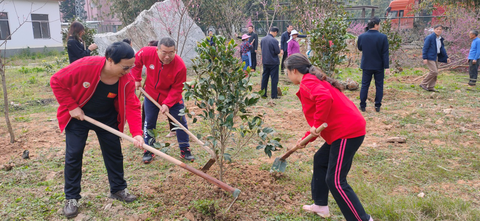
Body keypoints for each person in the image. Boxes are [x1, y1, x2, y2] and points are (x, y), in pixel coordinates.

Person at [50, 42, 144, 218]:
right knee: (74, 154)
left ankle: (118, 189)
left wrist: (137, 132)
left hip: (107, 118)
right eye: (125, 67)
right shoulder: (86, 65)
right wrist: (71, 106)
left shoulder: (126, 80)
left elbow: (132, 105)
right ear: (110, 60)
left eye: (131, 67)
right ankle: (71, 198)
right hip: (79, 116)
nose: (128, 71)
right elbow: (56, 81)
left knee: (114, 153)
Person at [285, 53, 373, 221]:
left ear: (294, 71)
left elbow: (324, 99)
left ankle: (362, 219)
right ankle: (320, 205)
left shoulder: (308, 82)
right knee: (320, 160)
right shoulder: (312, 80)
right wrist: (306, 138)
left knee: (336, 181)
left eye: (287, 72)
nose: (287, 75)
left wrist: (317, 124)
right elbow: (317, 124)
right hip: (344, 130)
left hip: (347, 132)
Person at [131, 37, 195, 164]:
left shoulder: (180, 65)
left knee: (180, 122)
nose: (167, 56)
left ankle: (185, 149)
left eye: (171, 52)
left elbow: (178, 88)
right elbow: (135, 62)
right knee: (149, 122)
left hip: (172, 97)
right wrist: (137, 78)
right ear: (157, 50)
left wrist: (167, 103)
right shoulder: (146, 52)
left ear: (175, 51)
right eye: (164, 52)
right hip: (151, 95)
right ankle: (148, 149)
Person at [357, 17, 390, 112]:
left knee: (364, 85)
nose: (379, 26)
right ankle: (377, 105)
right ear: (376, 25)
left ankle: (362, 105)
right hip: (379, 65)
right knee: (379, 85)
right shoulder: (383, 37)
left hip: (366, 64)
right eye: (379, 24)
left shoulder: (362, 36)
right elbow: (385, 53)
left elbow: (360, 48)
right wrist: (386, 67)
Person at [420, 24, 451, 92]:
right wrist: (424, 58)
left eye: (440, 29)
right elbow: (425, 48)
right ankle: (423, 83)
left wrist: (446, 57)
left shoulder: (440, 38)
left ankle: (431, 87)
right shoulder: (429, 37)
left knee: (435, 72)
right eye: (437, 29)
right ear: (434, 30)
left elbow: (442, 49)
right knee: (434, 71)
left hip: (435, 56)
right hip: (429, 57)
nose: (438, 30)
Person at [261, 26, 282, 99]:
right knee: (274, 79)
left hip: (265, 61)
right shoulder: (274, 41)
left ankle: (263, 94)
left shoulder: (263, 39)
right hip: (273, 62)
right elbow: (277, 51)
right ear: (275, 32)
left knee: (264, 78)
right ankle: (274, 95)